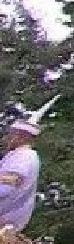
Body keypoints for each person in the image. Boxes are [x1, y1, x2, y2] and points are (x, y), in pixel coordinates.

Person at [0, 97, 54, 231]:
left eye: (11, 134)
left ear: (22, 136)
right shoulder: (18, 155)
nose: (7, 138)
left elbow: (7, 187)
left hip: (6, 220)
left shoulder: (25, 156)